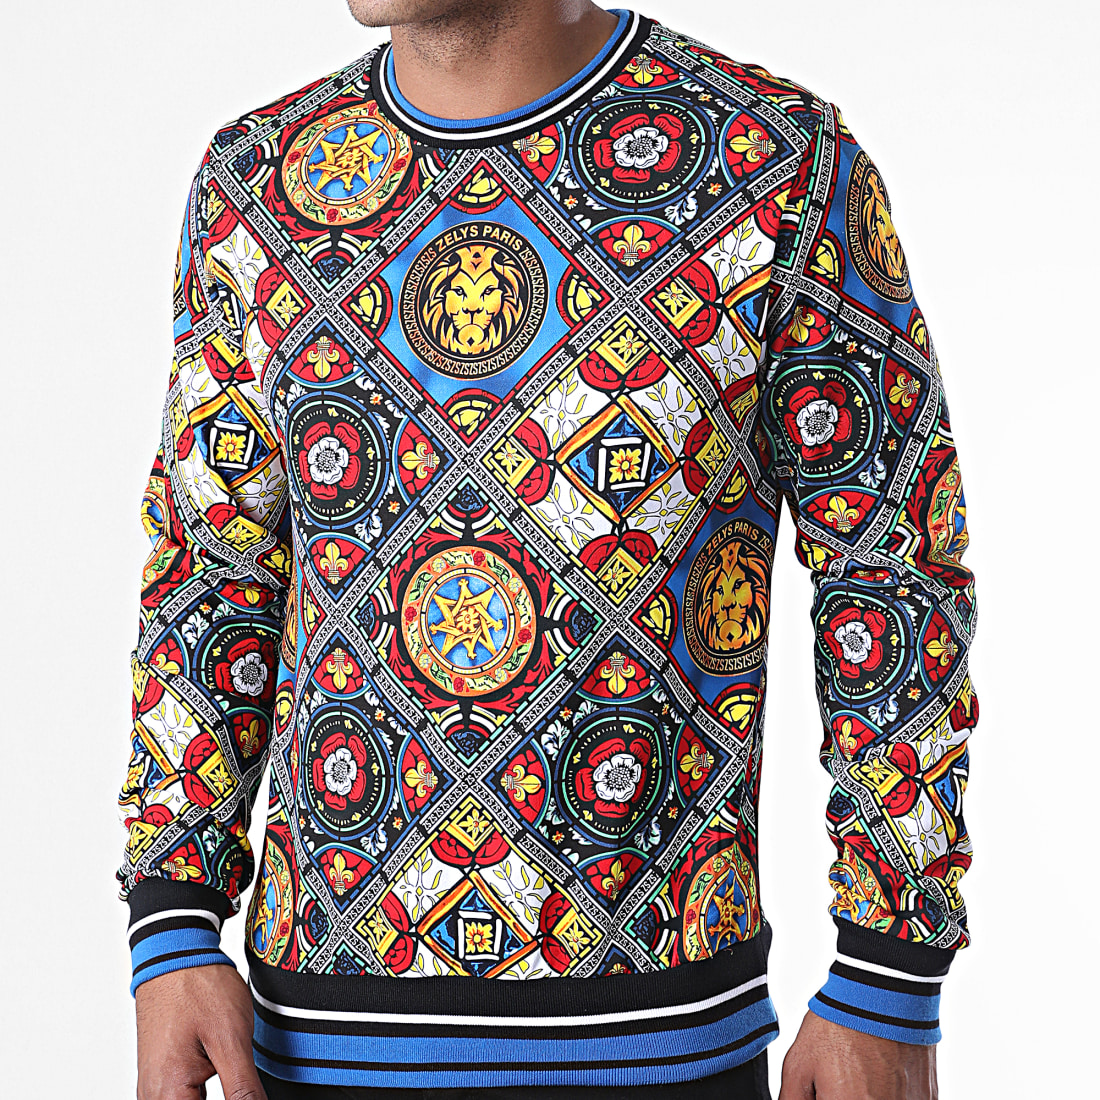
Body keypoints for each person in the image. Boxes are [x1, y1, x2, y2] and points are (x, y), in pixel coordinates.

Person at [118, 3, 979, 1098]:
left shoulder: (775, 164)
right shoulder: (256, 183)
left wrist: (887, 976)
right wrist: (173, 922)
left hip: (664, 1044)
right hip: (308, 1045)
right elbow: (209, 572)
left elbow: (891, 569)